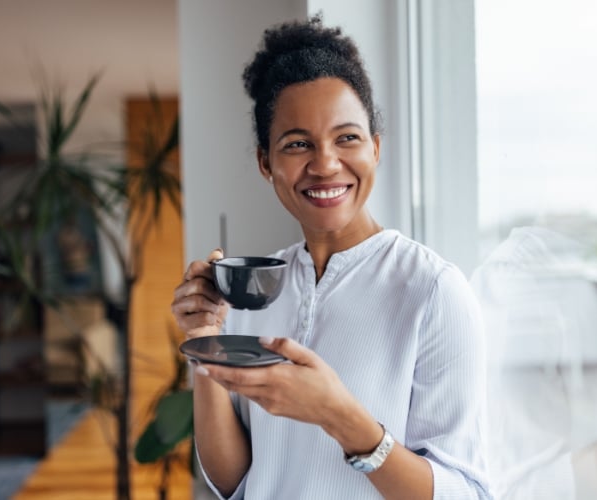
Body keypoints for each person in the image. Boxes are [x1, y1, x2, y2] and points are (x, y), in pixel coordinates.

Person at [171, 15, 492, 500]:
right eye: (298, 144)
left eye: (347, 138)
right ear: (266, 163)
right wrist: (205, 340)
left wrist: (339, 416)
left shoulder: (433, 291)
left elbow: (466, 493)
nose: (325, 164)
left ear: (376, 148)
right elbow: (235, 482)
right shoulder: (250, 294)